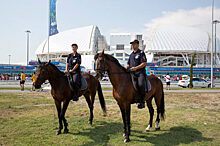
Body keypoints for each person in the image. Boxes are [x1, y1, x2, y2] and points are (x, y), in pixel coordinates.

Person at [125, 39, 147, 109]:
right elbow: (128, 64)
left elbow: (144, 63)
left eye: (134, 44)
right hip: (132, 73)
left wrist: (136, 68)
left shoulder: (141, 53)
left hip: (140, 73)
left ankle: (142, 101)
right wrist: (126, 67)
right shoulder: (131, 54)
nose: (132, 45)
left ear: (137, 45)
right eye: (132, 44)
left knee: (140, 84)